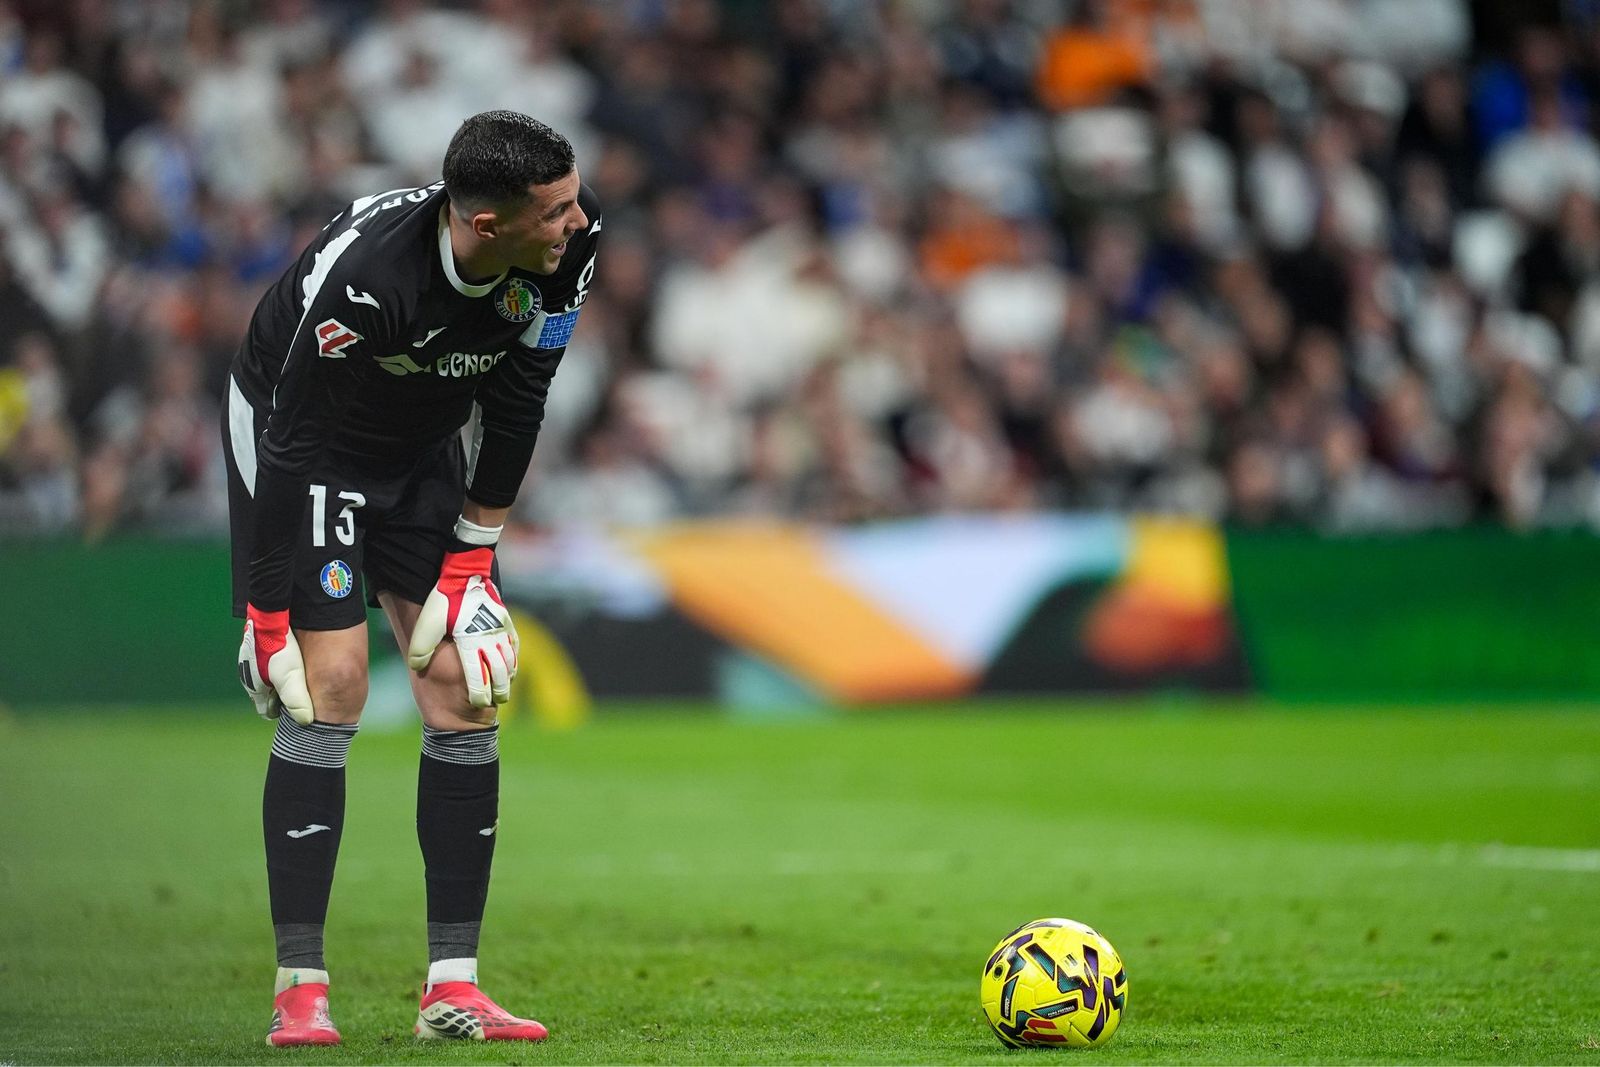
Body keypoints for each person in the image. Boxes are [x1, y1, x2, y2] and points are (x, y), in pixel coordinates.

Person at [224, 110, 600, 1046]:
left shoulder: (570, 250)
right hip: (303, 442)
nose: (577, 219)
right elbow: (293, 435)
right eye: (553, 210)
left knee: (466, 687)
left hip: (421, 438)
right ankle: (300, 988)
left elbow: (521, 400)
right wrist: (267, 607)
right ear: (487, 225)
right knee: (330, 685)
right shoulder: (368, 278)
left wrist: (474, 554)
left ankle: (454, 990)